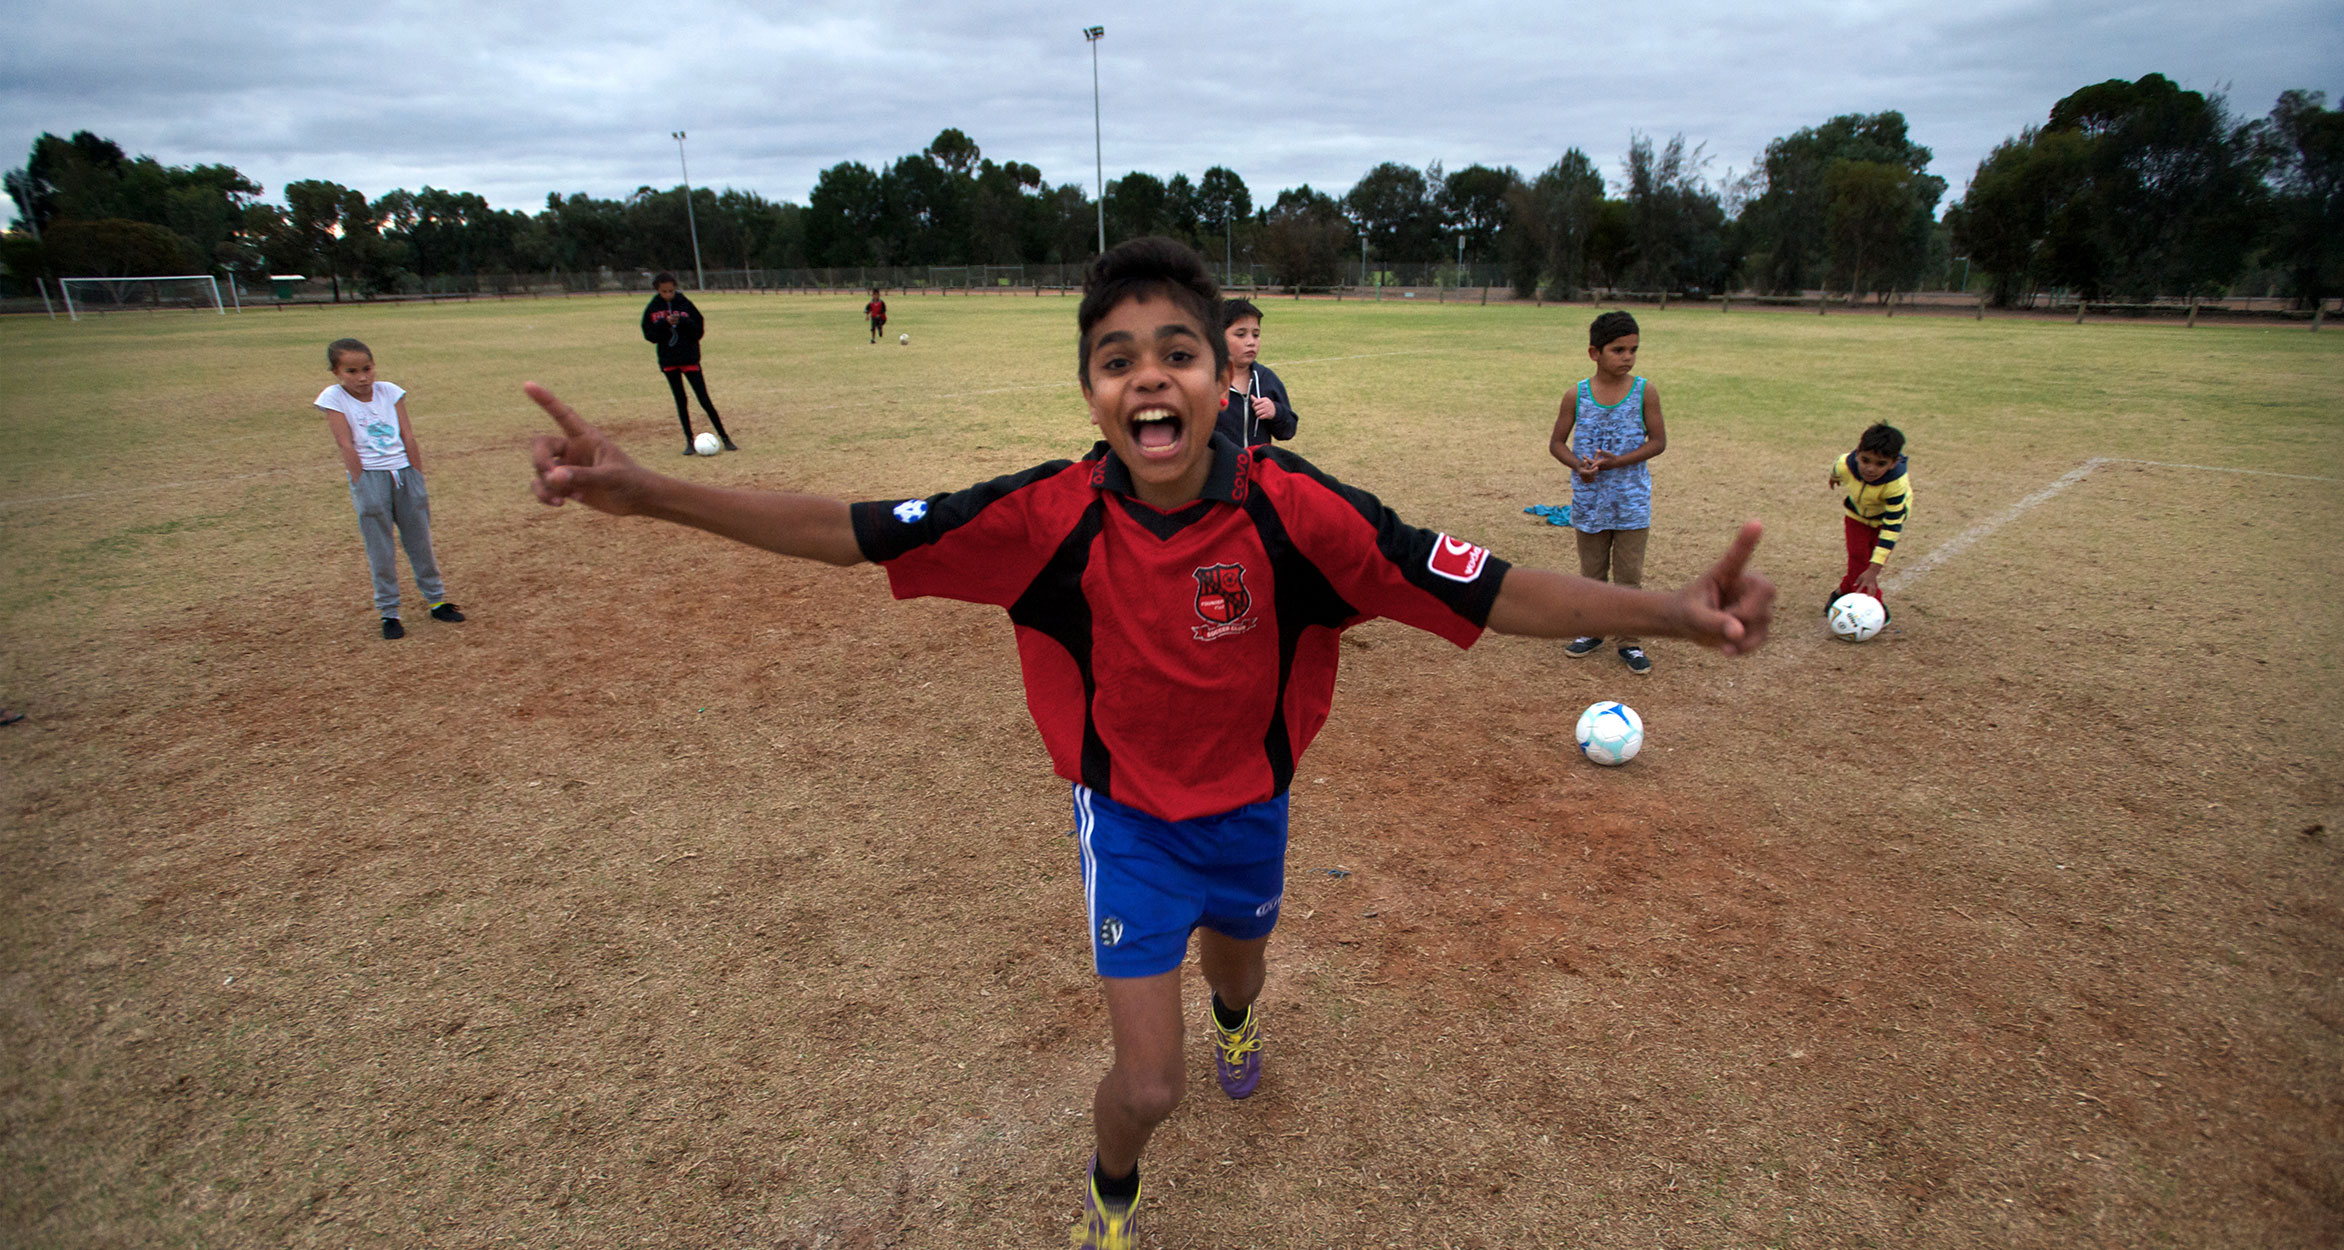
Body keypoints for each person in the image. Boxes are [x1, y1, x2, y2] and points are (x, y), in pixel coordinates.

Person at [524, 238, 1773, 1248]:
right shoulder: (1037, 518)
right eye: (1116, 359)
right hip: (1126, 823)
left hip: (1252, 813)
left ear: (1224, 381)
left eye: (1176, 351)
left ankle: (1239, 1013)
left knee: (1242, 973)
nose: (1149, 377)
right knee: (1152, 1083)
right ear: (1090, 393)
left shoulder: (1304, 515)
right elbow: (846, 528)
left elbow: (1491, 586)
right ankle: (1112, 1191)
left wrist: (1670, 609)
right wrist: (646, 491)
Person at [314, 339, 465, 640]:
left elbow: (407, 434)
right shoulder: (334, 398)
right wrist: (361, 481)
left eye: (367, 369)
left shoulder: (390, 391)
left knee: (419, 540)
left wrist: (417, 475)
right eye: (351, 371)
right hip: (370, 478)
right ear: (336, 372)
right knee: (380, 548)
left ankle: (436, 600)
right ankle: (389, 612)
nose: (361, 377)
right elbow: (345, 444)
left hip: (405, 474)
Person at [1547, 310, 1668, 676]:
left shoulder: (1644, 391)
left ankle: (1629, 641)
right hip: (1589, 504)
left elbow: (1659, 442)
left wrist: (1620, 462)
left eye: (1633, 349)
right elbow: (1556, 444)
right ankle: (1592, 630)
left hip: (1631, 503)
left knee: (1629, 577)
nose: (1627, 357)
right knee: (1592, 574)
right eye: (1618, 350)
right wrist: (1577, 465)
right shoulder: (1576, 395)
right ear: (1594, 353)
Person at [641, 272, 736, 455]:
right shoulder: (653, 308)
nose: (668, 294)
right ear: (657, 290)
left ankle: (725, 438)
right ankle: (689, 441)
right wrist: (663, 323)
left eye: (671, 290)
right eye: (664, 291)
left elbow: (698, 330)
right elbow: (650, 335)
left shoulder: (685, 304)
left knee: (704, 399)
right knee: (681, 401)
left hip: (689, 358)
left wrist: (683, 321)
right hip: (669, 361)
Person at [1829, 422, 1911, 621]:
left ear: (1893, 462)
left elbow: (1892, 529)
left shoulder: (1895, 486)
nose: (1870, 469)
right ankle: (1877, 606)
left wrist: (1874, 570)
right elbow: (1837, 467)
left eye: (1880, 464)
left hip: (1885, 521)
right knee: (1858, 558)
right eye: (1865, 460)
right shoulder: (1845, 464)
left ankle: (1842, 592)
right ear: (1857, 453)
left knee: (1869, 565)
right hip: (1857, 516)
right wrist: (1833, 477)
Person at [1213, 298, 1298, 448]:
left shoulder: (1267, 379)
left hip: (1258, 468)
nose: (1251, 342)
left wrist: (1276, 412)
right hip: (1219, 469)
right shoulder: (1208, 381)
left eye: (1256, 334)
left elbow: (1288, 430)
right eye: (1241, 334)